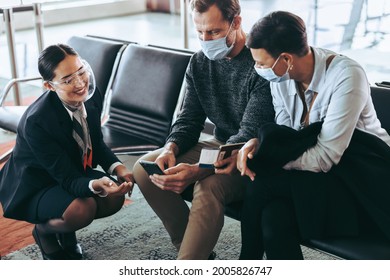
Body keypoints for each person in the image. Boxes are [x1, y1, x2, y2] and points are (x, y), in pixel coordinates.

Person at [237, 11, 390, 260]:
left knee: (261, 182)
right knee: (273, 218)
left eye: (262, 64)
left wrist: (269, 158)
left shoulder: (346, 75)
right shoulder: (282, 78)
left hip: (362, 180)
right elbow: (286, 136)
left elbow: (325, 156)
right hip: (322, 178)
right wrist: (259, 145)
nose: (258, 70)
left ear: (286, 58)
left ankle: (246, 264)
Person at [132, 0, 274, 260]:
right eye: (200, 32)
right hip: (218, 144)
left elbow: (247, 134)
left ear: (237, 22)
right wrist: (170, 148)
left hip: (250, 156)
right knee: (145, 169)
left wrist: (200, 170)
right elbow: (188, 119)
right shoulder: (199, 63)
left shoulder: (261, 63)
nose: (206, 39)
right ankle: (193, 251)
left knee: (207, 186)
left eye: (214, 32)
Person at [0, 44, 134, 260]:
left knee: (113, 198)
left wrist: (118, 168)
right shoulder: (38, 121)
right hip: (37, 183)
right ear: (49, 86)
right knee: (83, 209)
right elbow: (66, 177)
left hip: (69, 168)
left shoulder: (91, 96)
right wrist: (93, 184)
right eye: (68, 79)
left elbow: (96, 143)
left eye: (81, 72)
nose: (80, 83)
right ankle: (44, 232)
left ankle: (65, 229)